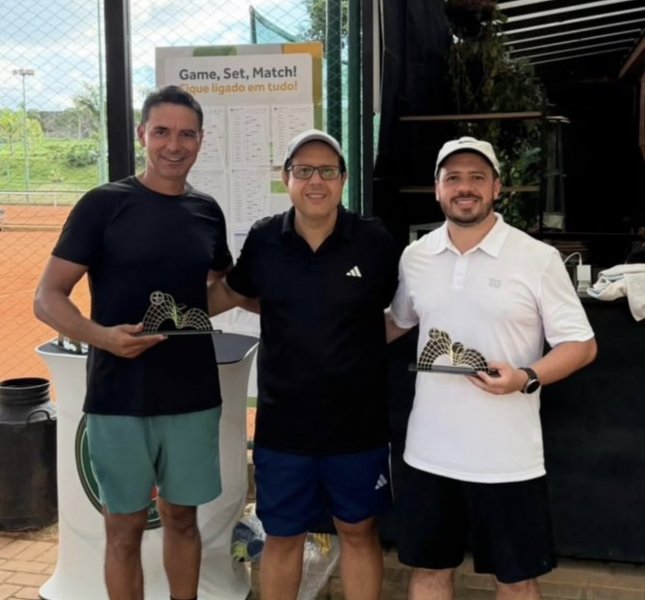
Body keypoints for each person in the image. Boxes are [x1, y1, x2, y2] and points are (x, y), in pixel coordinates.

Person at [34, 85, 232, 600]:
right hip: (119, 396)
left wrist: (280, 289)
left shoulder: (207, 211)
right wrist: (102, 337)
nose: (174, 145)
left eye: (187, 134)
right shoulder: (104, 205)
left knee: (182, 518)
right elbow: (48, 297)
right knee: (123, 530)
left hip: (192, 395)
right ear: (143, 134)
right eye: (162, 132)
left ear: (201, 140)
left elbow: (213, 292)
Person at [385, 136, 597, 600]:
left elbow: (581, 345)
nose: (465, 188)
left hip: (507, 458)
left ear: (497, 187)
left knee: (516, 582)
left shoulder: (536, 258)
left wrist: (526, 377)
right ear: (437, 189)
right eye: (453, 178)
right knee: (428, 573)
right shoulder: (416, 257)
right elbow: (398, 322)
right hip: (429, 453)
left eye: (477, 177)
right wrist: (318, 330)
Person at [209, 129, 400, 600]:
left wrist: (358, 344)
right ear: (286, 177)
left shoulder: (373, 240)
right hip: (283, 427)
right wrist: (166, 311)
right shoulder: (264, 239)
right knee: (282, 536)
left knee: (358, 531)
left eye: (328, 171)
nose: (317, 181)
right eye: (305, 170)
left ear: (344, 179)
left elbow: (402, 314)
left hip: (358, 427)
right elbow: (230, 293)